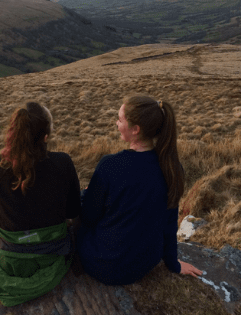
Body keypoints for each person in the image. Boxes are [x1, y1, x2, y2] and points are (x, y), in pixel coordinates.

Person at [0, 102, 81, 308]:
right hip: (52, 257)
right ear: (45, 137)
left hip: (8, 260)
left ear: (13, 132)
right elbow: (73, 211)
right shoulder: (64, 162)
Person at [77, 95, 202, 286]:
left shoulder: (110, 166)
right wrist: (173, 263)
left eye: (120, 120)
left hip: (102, 265)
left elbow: (88, 217)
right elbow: (169, 223)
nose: (116, 123)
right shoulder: (172, 168)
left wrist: (87, 194)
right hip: (143, 265)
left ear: (135, 130)